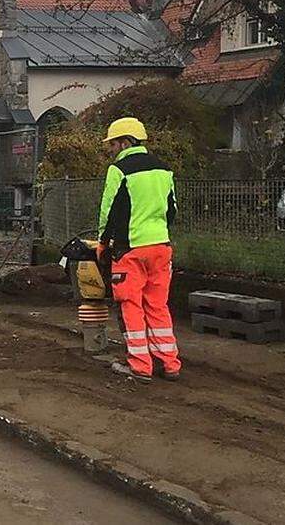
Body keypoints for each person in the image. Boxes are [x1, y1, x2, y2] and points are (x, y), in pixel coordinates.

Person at [97, 117, 181, 383]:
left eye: (113, 143)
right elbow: (172, 210)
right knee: (157, 305)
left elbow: (107, 211)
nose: (111, 149)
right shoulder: (164, 170)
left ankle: (140, 366)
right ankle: (169, 363)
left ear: (124, 141)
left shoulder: (118, 170)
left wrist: (103, 243)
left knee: (130, 305)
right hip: (160, 246)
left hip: (130, 249)